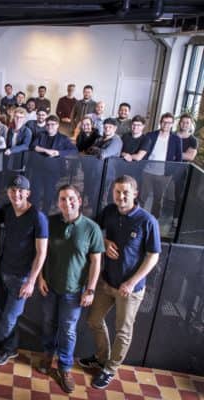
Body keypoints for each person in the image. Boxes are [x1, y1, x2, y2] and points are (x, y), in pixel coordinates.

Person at [79, 175, 161, 389]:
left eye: (126, 192)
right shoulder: (109, 211)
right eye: (117, 192)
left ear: (135, 194)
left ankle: (110, 369)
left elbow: (153, 256)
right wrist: (104, 241)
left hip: (130, 289)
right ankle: (101, 358)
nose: (121, 196)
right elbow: (92, 229)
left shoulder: (147, 221)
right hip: (107, 282)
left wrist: (132, 282)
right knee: (93, 320)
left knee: (123, 331)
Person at [37, 184, 104, 393]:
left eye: (71, 198)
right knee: (48, 323)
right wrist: (40, 278)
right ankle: (48, 356)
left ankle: (65, 368)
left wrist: (90, 290)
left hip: (73, 292)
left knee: (68, 330)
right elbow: (40, 253)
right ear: (58, 203)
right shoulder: (49, 222)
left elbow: (96, 262)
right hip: (49, 287)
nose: (67, 203)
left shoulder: (91, 228)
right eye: (63, 199)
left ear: (79, 201)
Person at [0, 175, 48, 365]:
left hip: (22, 278)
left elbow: (41, 253)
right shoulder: (7, 210)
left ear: (28, 193)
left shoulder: (38, 217)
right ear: (8, 192)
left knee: (9, 318)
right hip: (4, 272)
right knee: (5, 314)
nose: (16, 194)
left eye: (21, 191)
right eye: (13, 190)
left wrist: (31, 281)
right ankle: (9, 348)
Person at [141, 112, 182, 218]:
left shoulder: (176, 139)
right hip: (147, 171)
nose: (166, 125)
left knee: (158, 199)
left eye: (169, 123)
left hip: (164, 174)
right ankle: (138, 217)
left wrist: (172, 172)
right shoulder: (150, 135)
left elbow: (179, 158)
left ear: (172, 124)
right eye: (164, 122)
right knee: (142, 197)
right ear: (160, 122)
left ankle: (154, 220)